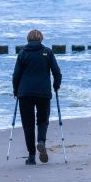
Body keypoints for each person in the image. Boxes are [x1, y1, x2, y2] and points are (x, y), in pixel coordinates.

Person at [12, 29, 62, 165]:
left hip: (25, 93)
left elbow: (16, 75)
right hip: (43, 92)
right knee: (42, 120)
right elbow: (57, 72)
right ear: (41, 39)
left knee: (28, 124)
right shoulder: (47, 52)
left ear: (28, 39)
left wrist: (15, 90)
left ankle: (32, 155)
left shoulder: (22, 53)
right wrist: (56, 85)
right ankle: (41, 141)